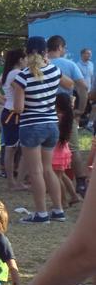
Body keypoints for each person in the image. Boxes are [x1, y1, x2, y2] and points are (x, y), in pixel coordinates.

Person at [12, 36, 74, 224]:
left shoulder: (21, 76)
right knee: (48, 170)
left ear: (27, 53)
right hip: (51, 124)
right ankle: (58, 210)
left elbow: (19, 108)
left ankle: (41, 213)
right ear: (45, 52)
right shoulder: (54, 70)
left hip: (31, 125)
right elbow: (69, 84)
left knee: (35, 172)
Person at [47, 35, 90, 195]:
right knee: (73, 148)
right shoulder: (69, 64)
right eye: (64, 48)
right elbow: (83, 87)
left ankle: (49, 181)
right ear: (59, 47)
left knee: (46, 147)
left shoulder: (40, 65)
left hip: (45, 112)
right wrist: (80, 109)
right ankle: (80, 183)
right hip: (65, 110)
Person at [0, 49, 27, 191]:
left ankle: (12, 181)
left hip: (8, 112)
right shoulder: (19, 74)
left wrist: (4, 101)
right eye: (25, 58)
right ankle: (15, 181)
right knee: (18, 149)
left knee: (10, 149)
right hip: (16, 114)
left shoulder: (6, 74)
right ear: (20, 60)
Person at [53, 92, 83, 207]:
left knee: (57, 178)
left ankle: (63, 201)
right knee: (62, 175)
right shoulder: (70, 117)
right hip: (65, 150)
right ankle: (74, 196)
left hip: (57, 151)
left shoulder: (58, 118)